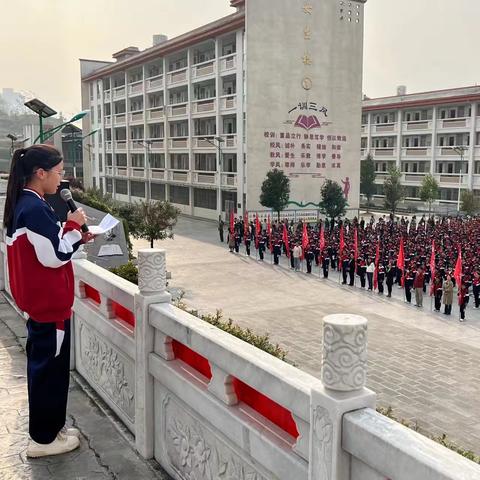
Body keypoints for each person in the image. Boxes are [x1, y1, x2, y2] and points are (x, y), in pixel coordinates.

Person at [4, 145, 94, 458]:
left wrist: (75, 235)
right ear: (40, 173)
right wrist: (72, 226)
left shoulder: (29, 204)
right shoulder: (33, 208)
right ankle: (43, 440)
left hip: (42, 306)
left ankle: (51, 428)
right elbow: (53, 255)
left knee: (47, 369)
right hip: (48, 308)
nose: (62, 178)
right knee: (48, 374)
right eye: (58, 172)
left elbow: (48, 246)